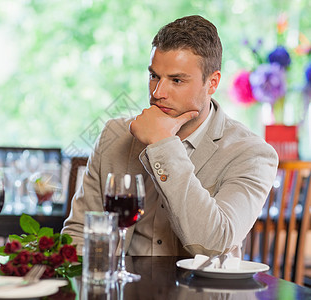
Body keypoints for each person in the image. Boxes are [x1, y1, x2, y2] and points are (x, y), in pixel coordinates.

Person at [62, 15, 278, 257]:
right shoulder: (115, 134)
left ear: (212, 82)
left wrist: (163, 144)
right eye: (154, 76)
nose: (157, 92)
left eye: (176, 80)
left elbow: (214, 245)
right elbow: (79, 233)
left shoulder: (252, 154)